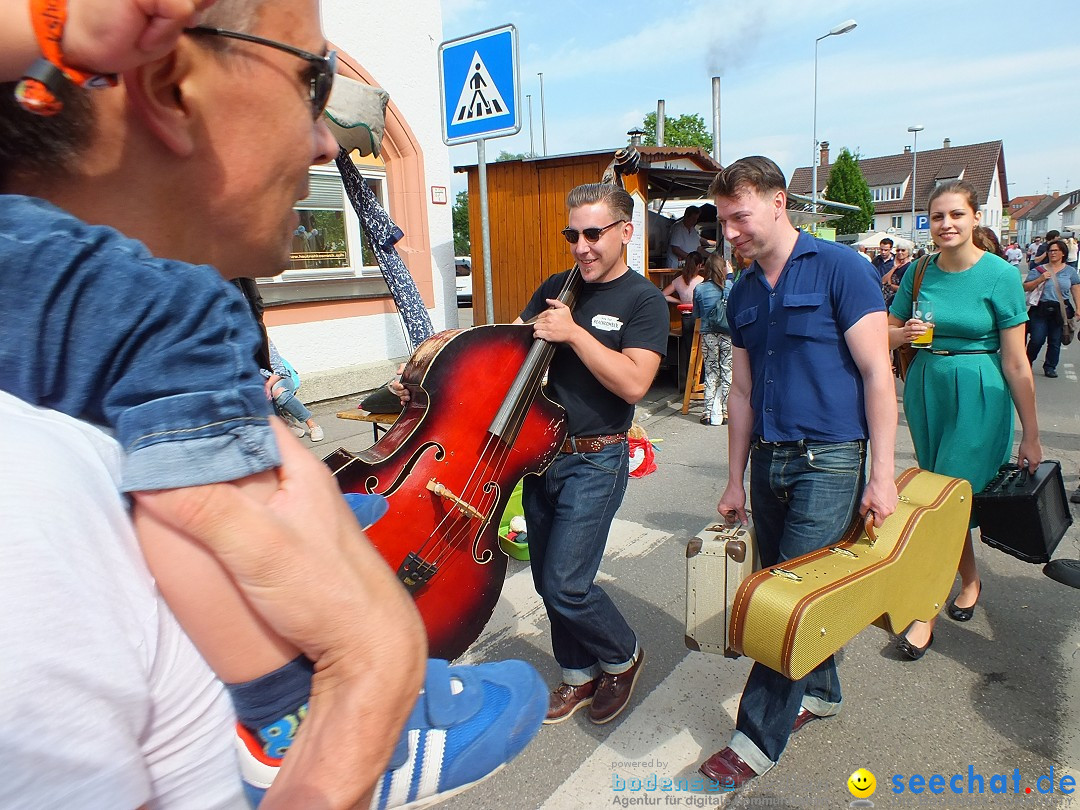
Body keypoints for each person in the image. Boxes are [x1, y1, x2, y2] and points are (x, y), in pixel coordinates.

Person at [0, 1, 545, 806]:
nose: (328, 140)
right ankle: (285, 712)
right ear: (172, 87)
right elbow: (198, 504)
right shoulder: (157, 330)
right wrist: (366, 679)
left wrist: (49, 24)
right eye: (312, 80)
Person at [699, 156, 897, 788]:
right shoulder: (744, 290)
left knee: (784, 600)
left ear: (779, 202)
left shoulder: (844, 269)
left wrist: (883, 473)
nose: (730, 232)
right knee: (794, 586)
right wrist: (733, 479)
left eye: (740, 216)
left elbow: (877, 376)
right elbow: (742, 393)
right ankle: (825, 690)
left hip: (832, 458)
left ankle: (756, 737)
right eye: (724, 220)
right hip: (770, 458)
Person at [518, 183, 668, 725]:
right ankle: (577, 674)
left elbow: (633, 384)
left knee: (567, 583)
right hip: (541, 454)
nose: (581, 246)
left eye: (593, 234)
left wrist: (576, 334)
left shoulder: (644, 300)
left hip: (596, 458)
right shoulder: (557, 287)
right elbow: (514, 347)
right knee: (544, 577)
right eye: (572, 234)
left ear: (625, 232)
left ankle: (623, 655)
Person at [888, 179, 1042, 658]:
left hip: (980, 391)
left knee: (940, 501)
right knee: (947, 497)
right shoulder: (917, 272)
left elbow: (1017, 362)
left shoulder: (999, 275)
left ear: (976, 218)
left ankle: (923, 613)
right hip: (927, 389)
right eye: (937, 216)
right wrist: (905, 334)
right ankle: (971, 580)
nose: (947, 224)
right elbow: (887, 331)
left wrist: (1031, 436)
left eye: (956, 214)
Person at [1023, 238, 1080, 377]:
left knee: (1055, 340)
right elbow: (1026, 287)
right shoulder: (1039, 270)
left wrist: (1079, 308)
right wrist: (1040, 279)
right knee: (1037, 339)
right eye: (1050, 251)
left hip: (1061, 309)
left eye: (1056, 251)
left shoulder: (1070, 271)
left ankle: (1050, 366)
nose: (1052, 253)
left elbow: (1075, 289)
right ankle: (1026, 362)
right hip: (1041, 308)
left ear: (1063, 253)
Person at [691, 252, 733, 426]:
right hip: (727, 333)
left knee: (711, 370)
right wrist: (730, 275)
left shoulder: (699, 288)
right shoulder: (729, 286)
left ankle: (707, 413)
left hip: (708, 333)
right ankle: (725, 412)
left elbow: (697, 314)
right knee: (727, 370)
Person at [265, 338, 325, 441]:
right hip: (260, 383)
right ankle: (287, 424)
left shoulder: (264, 341)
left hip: (278, 377)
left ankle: (312, 425)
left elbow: (279, 370)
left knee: (279, 393)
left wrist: (268, 385)